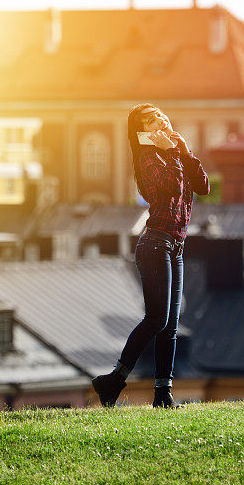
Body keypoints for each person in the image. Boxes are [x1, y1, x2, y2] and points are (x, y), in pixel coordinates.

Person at [92, 103, 210, 408]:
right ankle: (114, 380)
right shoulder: (148, 157)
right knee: (156, 318)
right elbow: (170, 187)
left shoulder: (174, 152)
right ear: (143, 131)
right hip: (155, 244)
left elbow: (204, 186)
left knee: (170, 324)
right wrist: (170, 151)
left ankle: (163, 394)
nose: (160, 119)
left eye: (160, 114)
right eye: (150, 119)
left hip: (176, 247)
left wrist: (184, 151)